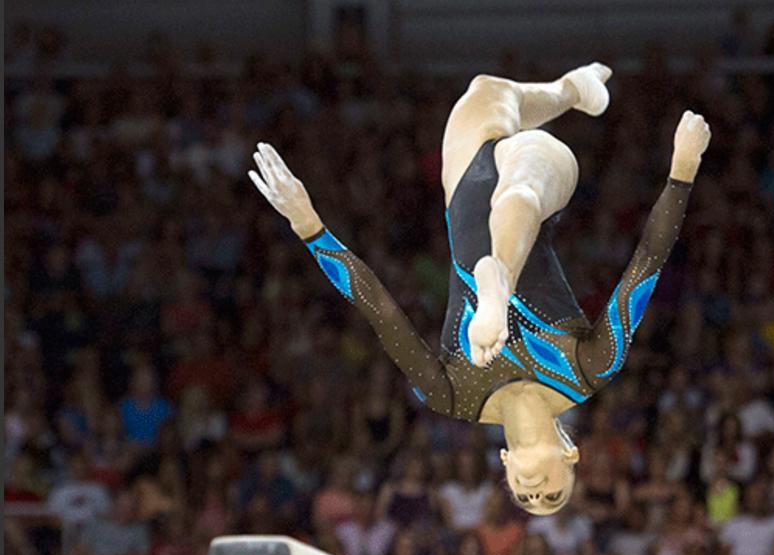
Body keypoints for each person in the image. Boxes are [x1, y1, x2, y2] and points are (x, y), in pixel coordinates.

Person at [249, 63, 711, 514]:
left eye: (525, 497)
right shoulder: (589, 369)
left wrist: (309, 227)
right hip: (541, 182)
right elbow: (646, 262)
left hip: (465, 189)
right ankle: (499, 282)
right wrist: (683, 171)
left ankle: (572, 88)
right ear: (571, 457)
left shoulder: (453, 396)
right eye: (553, 494)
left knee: (488, 89)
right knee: (520, 194)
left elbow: (383, 313)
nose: (535, 491)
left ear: (505, 466)